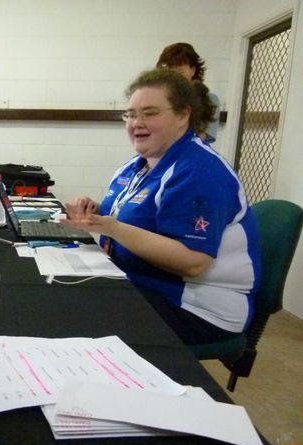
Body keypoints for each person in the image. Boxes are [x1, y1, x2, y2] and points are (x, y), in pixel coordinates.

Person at [63, 69, 261, 346]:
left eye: (150, 113)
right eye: (130, 114)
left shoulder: (199, 171)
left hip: (197, 308)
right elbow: (130, 217)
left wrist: (113, 227)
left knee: (70, 313)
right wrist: (95, 211)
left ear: (183, 115)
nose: (136, 123)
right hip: (141, 284)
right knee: (61, 295)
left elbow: (193, 262)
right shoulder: (137, 166)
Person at [156, 42, 220, 143]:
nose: (174, 76)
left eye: (180, 72)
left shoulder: (209, 100)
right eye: (169, 71)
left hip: (192, 154)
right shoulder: (157, 97)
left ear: (193, 70)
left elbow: (201, 138)